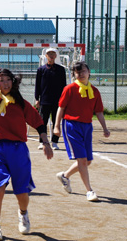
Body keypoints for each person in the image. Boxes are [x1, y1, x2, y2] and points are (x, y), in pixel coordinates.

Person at [0, 66, 53, 241]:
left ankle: (23, 213)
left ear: (13, 82)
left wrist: (46, 142)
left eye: (7, 80)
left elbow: (38, 122)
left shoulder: (21, 103)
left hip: (18, 150)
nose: (5, 83)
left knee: (21, 193)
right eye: (0, 80)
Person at [53, 61, 110, 202]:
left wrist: (105, 128)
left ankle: (65, 176)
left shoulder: (95, 91)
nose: (81, 74)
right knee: (82, 160)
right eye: (78, 72)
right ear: (74, 74)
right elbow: (61, 108)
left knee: (87, 161)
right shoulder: (70, 89)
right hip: (71, 126)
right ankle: (89, 191)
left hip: (87, 126)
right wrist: (56, 126)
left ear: (89, 72)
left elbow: (99, 112)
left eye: (83, 71)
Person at [35, 48, 66, 150]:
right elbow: (37, 86)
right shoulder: (41, 70)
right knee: (42, 121)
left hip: (57, 101)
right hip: (44, 100)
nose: (51, 56)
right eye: (49, 54)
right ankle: (42, 141)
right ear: (46, 56)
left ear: (56, 56)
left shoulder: (61, 70)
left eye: (53, 54)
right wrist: (37, 98)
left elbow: (64, 86)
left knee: (56, 121)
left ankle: (55, 142)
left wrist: (64, 100)